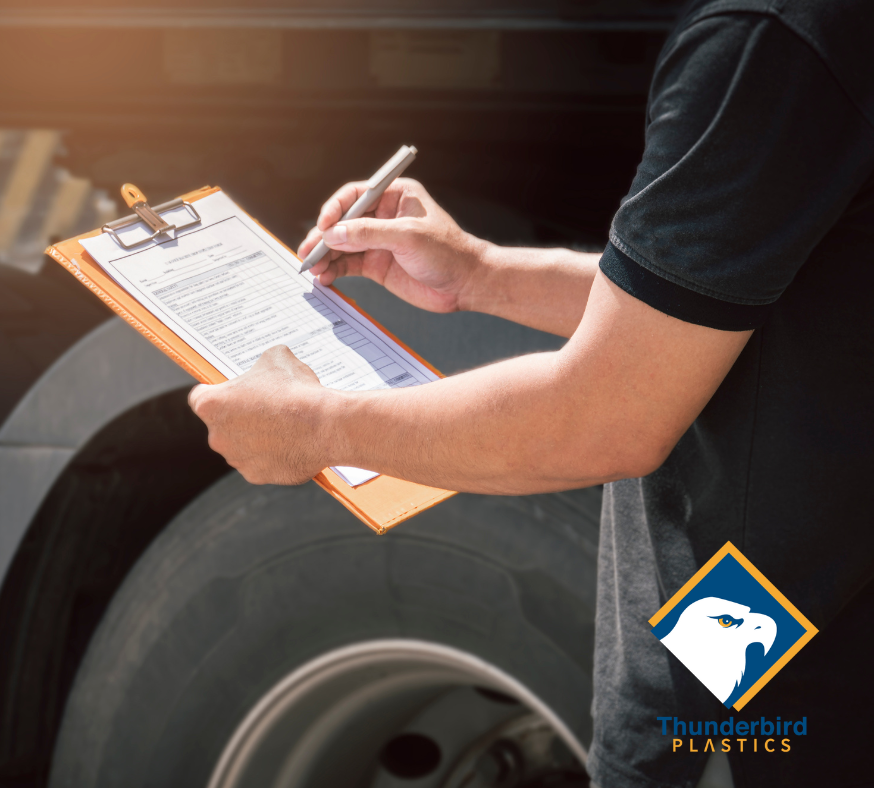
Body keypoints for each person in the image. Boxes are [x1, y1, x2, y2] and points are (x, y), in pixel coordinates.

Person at [188, 0, 874, 786]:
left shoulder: (767, 42)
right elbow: (705, 320)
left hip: (754, 686)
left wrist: (318, 428)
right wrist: (479, 274)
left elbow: (607, 418)